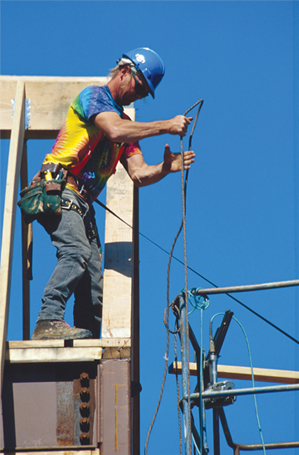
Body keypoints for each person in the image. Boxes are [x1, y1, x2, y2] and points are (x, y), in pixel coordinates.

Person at [31, 47, 195, 340]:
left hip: (81, 205)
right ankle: (48, 319)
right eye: (139, 86)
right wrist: (167, 126)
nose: (139, 95)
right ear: (123, 72)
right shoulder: (95, 97)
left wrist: (165, 168)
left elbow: (139, 173)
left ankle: (87, 343)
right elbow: (115, 131)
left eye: (145, 92)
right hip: (60, 188)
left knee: (94, 285)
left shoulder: (125, 124)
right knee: (76, 252)